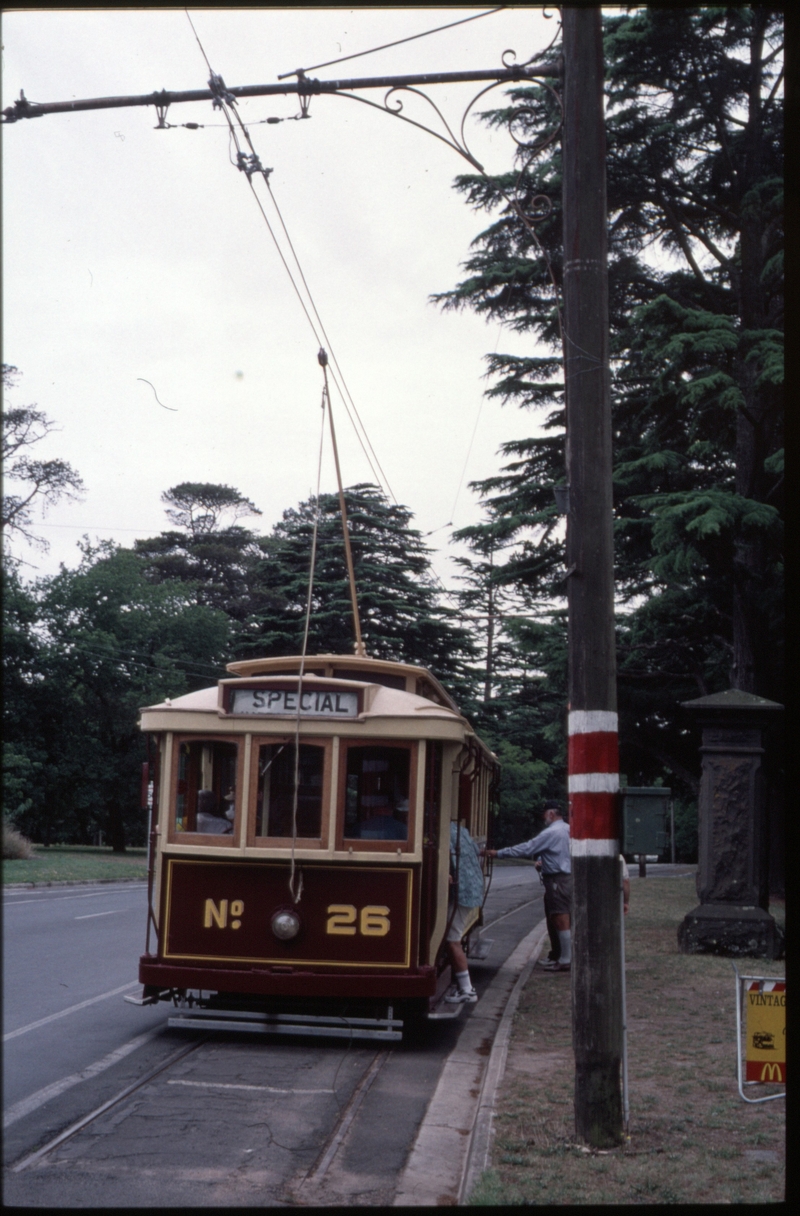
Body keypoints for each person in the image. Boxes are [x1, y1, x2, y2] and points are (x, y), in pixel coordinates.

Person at [482, 801, 572, 973]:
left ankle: (566, 959)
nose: (543, 817)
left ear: (551, 814)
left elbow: (527, 848)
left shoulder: (551, 832)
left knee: (560, 918)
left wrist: (499, 853)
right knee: (560, 917)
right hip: (565, 878)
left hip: (557, 880)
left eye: (544, 814)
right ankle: (561, 955)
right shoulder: (567, 829)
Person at [444, 820, 485, 1003]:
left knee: (453, 940)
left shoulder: (444, 834)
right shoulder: (461, 831)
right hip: (472, 889)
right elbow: (474, 852)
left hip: (463, 893)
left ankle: (467, 990)